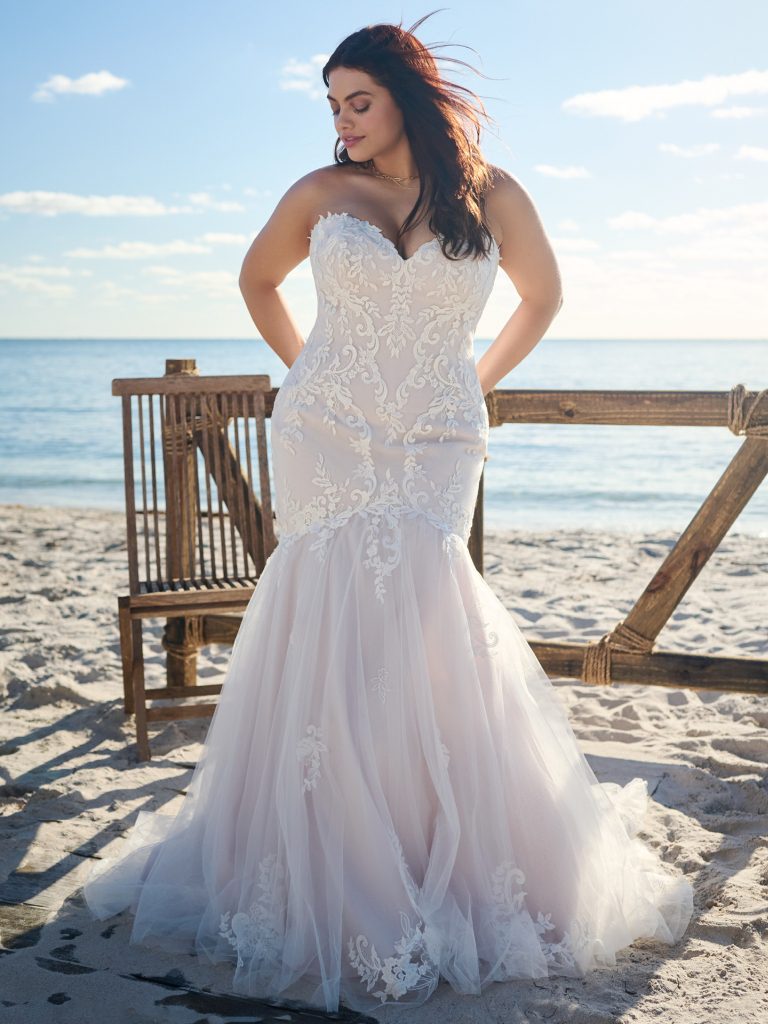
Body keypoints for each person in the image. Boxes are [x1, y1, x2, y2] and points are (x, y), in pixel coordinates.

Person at [82, 15, 694, 1015]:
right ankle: (323, 861)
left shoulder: (495, 196)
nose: (343, 121)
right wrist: (308, 374)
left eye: (357, 100)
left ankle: (422, 849)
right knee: (326, 619)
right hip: (327, 432)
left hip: (437, 441)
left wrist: (474, 381)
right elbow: (256, 280)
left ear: (409, 97)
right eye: (332, 105)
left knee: (427, 620)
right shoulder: (322, 194)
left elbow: (543, 298)